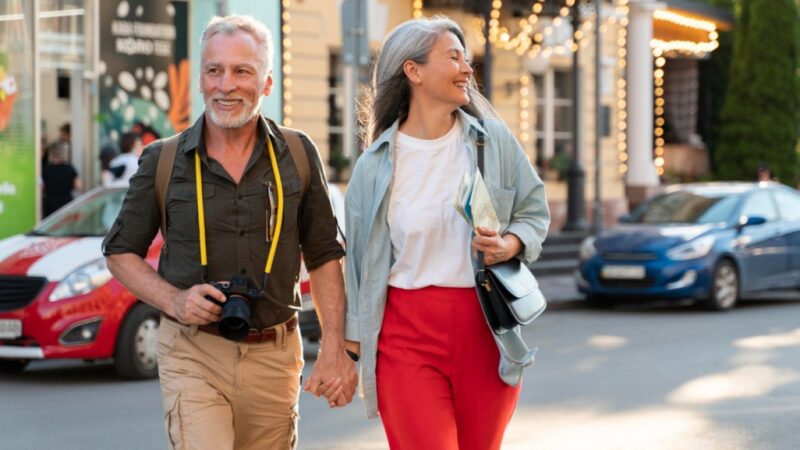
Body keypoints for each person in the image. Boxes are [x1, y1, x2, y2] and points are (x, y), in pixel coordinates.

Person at [102, 15, 356, 450]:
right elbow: (120, 252)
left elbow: (324, 255)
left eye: (242, 71)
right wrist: (175, 300)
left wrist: (336, 348)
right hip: (192, 350)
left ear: (267, 83)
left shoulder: (297, 153)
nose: (226, 85)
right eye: (214, 70)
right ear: (200, 78)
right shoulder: (162, 160)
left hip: (276, 354)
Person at [344, 17, 550, 450]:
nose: (467, 68)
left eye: (467, 58)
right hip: (405, 336)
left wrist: (508, 245)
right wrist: (347, 352)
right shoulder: (374, 165)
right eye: (453, 57)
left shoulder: (492, 141)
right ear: (413, 71)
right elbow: (359, 268)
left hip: (484, 330)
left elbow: (534, 212)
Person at [41, 141, 81, 217]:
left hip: (51, 205)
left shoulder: (46, 169)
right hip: (66, 204)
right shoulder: (70, 168)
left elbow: (41, 187)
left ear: (51, 154)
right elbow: (78, 186)